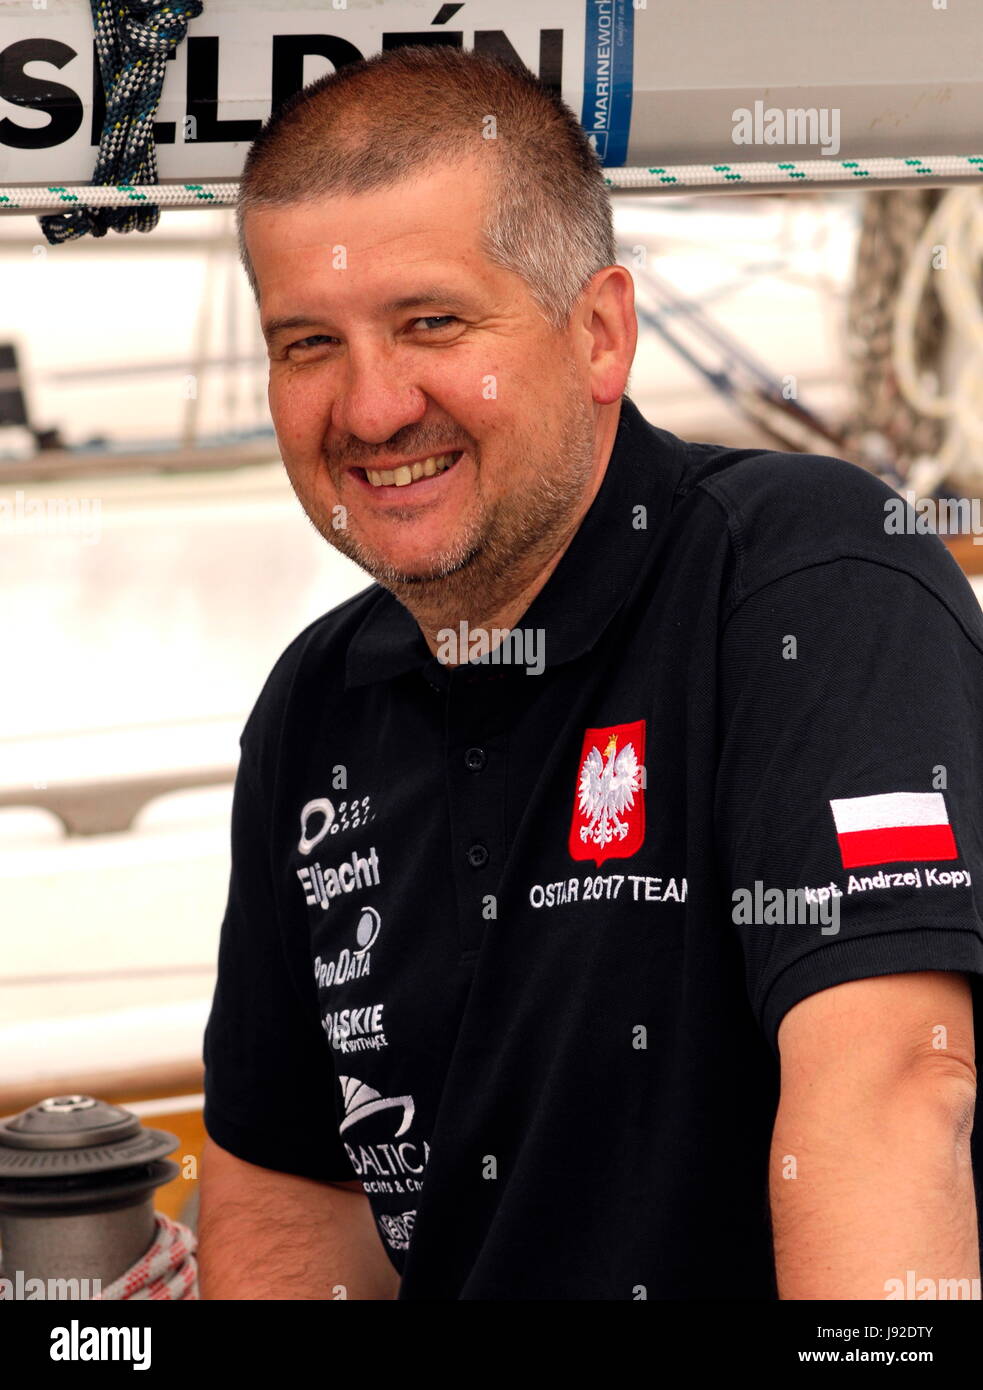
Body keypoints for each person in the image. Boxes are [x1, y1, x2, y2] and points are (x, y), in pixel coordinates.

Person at [198, 44, 983, 1301]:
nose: (371, 405)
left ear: (599, 333)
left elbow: (891, 1090)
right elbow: (291, 1196)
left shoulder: (808, 581)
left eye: (430, 322)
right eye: (306, 344)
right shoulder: (312, 707)